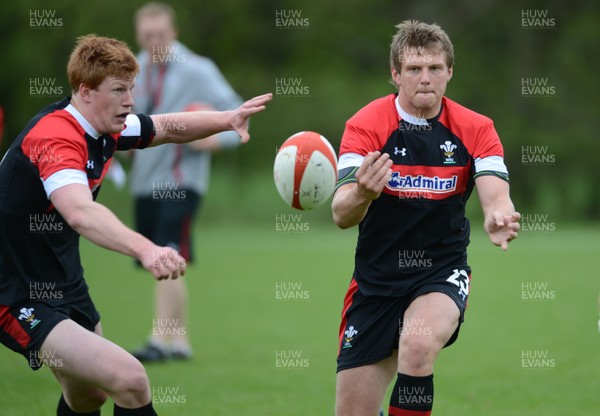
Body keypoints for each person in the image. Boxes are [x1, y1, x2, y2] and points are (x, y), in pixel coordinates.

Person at [0, 34, 270, 416]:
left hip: (63, 279)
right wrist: (147, 248)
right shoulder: (56, 137)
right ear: (85, 91)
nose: (130, 100)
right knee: (130, 379)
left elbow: (167, 127)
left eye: (131, 89)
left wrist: (226, 119)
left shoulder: (104, 126)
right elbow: (80, 212)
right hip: (16, 291)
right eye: (119, 90)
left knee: (88, 395)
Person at [332, 20, 520, 416]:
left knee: (417, 346)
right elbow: (341, 213)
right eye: (414, 69)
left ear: (450, 72)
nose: (426, 78)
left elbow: (495, 192)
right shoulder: (366, 125)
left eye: (435, 68)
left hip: (441, 271)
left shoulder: (476, 128)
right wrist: (364, 192)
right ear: (395, 74)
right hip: (375, 280)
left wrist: (497, 215)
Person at [128, 2, 243, 362]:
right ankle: (180, 341)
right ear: (139, 37)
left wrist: (213, 139)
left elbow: (238, 115)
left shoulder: (198, 70)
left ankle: (158, 339)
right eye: (147, 36)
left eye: (160, 35)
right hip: (143, 184)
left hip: (182, 180)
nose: (154, 43)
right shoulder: (131, 70)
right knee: (167, 259)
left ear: (174, 33)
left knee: (165, 251)